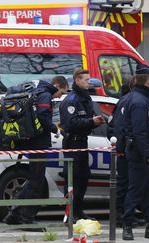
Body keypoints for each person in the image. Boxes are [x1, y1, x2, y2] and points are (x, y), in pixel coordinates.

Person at [3, 77, 69, 225]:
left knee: (33, 180)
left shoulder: (38, 92)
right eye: (61, 92)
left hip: (34, 142)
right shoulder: (45, 94)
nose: (60, 96)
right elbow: (42, 115)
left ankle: (13, 214)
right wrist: (55, 129)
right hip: (39, 144)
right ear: (57, 86)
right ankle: (27, 217)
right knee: (36, 181)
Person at [121, 64, 149, 241]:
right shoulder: (140, 102)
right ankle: (127, 226)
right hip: (139, 152)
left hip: (138, 150)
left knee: (148, 191)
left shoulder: (133, 98)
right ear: (147, 81)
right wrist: (148, 155)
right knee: (136, 190)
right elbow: (140, 132)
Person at [59, 68, 106, 221]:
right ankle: (70, 213)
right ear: (77, 81)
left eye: (89, 79)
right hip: (72, 143)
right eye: (86, 80)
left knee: (83, 177)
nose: (89, 82)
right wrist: (91, 121)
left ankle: (78, 211)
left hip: (82, 142)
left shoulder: (86, 98)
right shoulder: (71, 100)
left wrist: (95, 122)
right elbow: (71, 123)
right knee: (72, 179)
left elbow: (87, 118)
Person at [107, 79, 133, 226]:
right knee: (125, 185)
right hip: (124, 152)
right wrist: (120, 149)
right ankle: (119, 216)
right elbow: (117, 128)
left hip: (121, 150)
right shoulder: (126, 103)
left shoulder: (119, 103)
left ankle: (122, 215)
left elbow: (111, 127)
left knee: (124, 184)